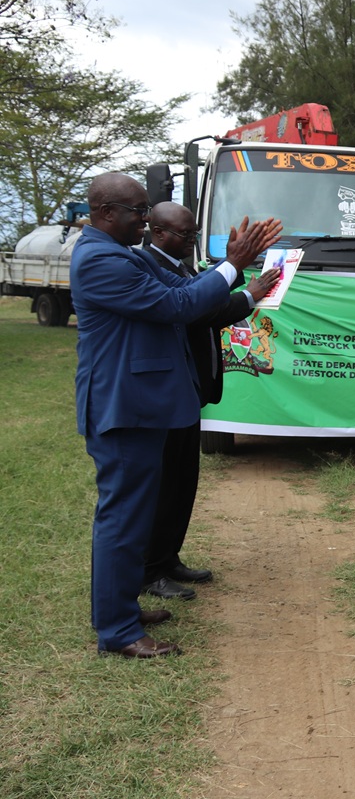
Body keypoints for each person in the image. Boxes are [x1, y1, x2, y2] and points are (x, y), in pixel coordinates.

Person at [72, 172, 281, 658]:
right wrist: (233, 263)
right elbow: (179, 304)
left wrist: (236, 276)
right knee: (123, 522)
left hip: (141, 405)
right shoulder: (101, 260)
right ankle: (118, 632)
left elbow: (191, 292)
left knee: (134, 520)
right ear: (106, 213)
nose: (146, 222)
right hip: (124, 409)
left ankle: (119, 608)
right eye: (138, 212)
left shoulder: (123, 255)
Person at [142, 202, 277, 602]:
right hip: (167, 394)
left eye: (194, 234)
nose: (191, 241)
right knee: (165, 484)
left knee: (184, 481)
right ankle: (150, 570)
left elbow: (206, 299)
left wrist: (231, 270)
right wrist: (248, 295)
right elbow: (196, 312)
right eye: (185, 235)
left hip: (189, 391)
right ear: (160, 232)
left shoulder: (180, 265)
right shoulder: (151, 265)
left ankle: (168, 558)